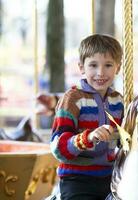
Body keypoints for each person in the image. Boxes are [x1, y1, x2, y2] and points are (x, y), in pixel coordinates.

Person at [50, 34, 124, 200]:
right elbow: (58, 147)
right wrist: (88, 137)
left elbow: (123, 140)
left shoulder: (118, 101)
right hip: (77, 179)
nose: (100, 72)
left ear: (117, 68)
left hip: (110, 178)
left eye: (108, 65)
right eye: (93, 65)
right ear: (82, 67)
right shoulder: (73, 99)